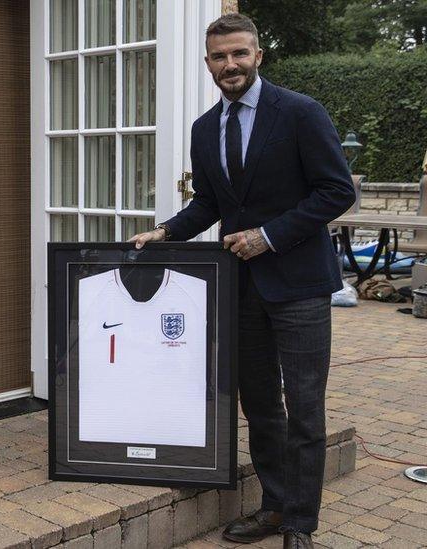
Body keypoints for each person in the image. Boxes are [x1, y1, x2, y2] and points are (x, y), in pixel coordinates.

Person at [130, 14, 355, 549]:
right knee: (259, 404)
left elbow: (335, 191)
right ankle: (274, 507)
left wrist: (269, 236)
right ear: (208, 63)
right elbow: (210, 203)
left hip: (299, 283)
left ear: (258, 55)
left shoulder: (301, 113)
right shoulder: (205, 128)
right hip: (242, 288)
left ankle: (300, 522)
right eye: (218, 56)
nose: (229, 64)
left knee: (304, 407)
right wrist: (164, 232)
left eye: (239, 54)